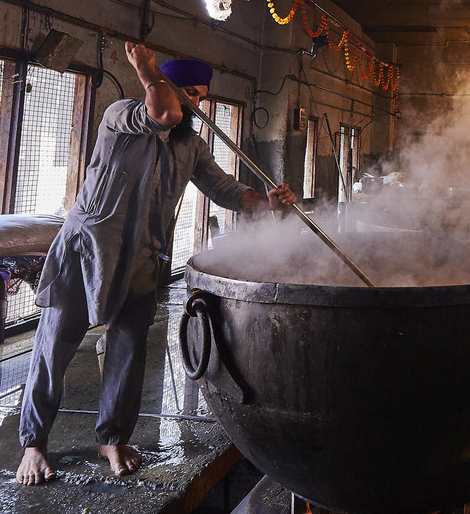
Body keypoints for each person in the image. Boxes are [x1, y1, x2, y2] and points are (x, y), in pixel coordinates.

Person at [16, 43, 296, 485]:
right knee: (55, 346)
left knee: (128, 350)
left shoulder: (191, 146)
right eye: (189, 93)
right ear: (163, 86)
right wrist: (148, 71)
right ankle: (34, 444)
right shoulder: (121, 116)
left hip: (142, 256)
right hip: (87, 251)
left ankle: (113, 438)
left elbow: (225, 189)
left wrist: (268, 203)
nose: (195, 104)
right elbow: (162, 112)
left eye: (201, 96)